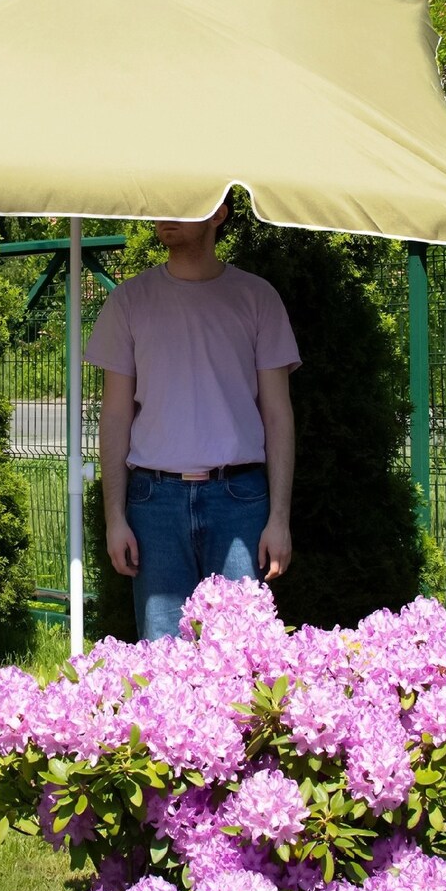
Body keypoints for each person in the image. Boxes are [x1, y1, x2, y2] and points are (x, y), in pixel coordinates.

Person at [84, 200, 300, 641]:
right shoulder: (128, 301)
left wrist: (280, 518)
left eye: (182, 203)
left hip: (240, 501)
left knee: (243, 655)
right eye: (162, 202)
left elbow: (278, 415)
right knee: (161, 663)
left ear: (218, 213)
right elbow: (115, 415)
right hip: (154, 504)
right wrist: (114, 518)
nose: (167, 212)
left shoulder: (258, 298)